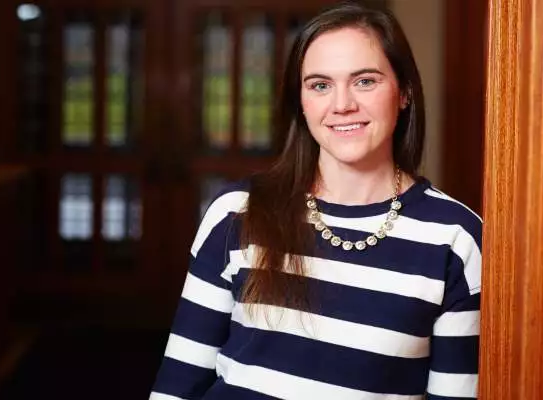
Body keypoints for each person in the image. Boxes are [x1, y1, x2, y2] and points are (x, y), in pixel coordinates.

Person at [150, 1, 481, 399]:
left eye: (365, 81)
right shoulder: (237, 212)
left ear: (405, 92)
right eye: (320, 85)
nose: (342, 104)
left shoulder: (456, 239)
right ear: (302, 102)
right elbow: (177, 385)